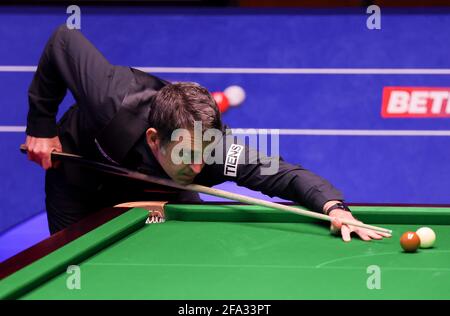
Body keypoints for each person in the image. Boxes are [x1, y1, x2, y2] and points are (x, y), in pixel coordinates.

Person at [24, 25, 390, 242]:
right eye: (187, 153)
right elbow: (62, 41)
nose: (199, 166)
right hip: (79, 174)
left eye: (206, 152)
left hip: (165, 186)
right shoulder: (111, 99)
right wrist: (41, 127)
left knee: (195, 248)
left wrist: (334, 207)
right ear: (154, 138)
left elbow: (283, 175)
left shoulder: (209, 151)